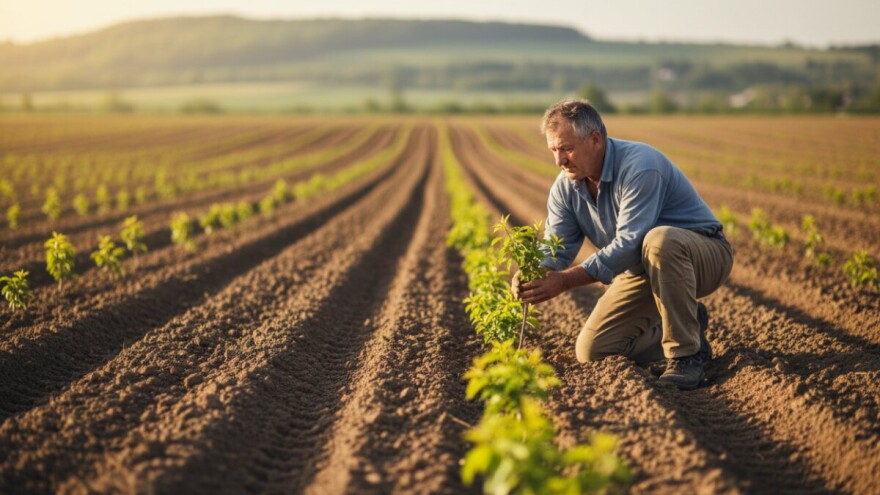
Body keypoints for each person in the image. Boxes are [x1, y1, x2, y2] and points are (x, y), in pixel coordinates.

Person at [513, 99, 733, 390]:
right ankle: (690, 324)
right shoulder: (566, 187)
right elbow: (558, 245)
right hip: (641, 269)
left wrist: (565, 281)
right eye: (554, 150)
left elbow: (631, 243)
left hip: (701, 255)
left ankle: (686, 356)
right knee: (592, 351)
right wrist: (533, 272)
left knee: (659, 240)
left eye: (566, 148)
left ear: (595, 140)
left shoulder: (641, 166)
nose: (559, 160)